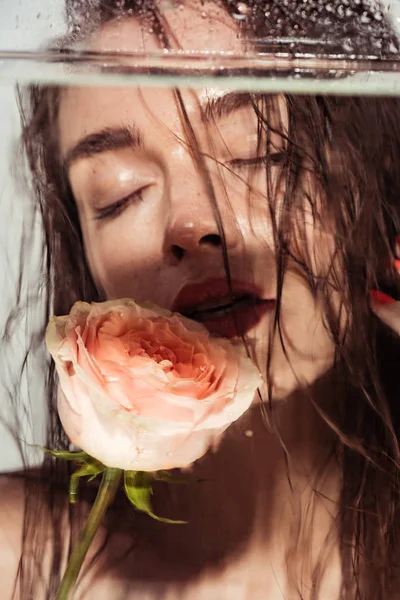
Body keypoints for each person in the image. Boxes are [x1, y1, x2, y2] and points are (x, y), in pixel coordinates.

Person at [2, 0, 400, 598]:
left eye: (263, 152)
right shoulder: (14, 557)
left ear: (377, 176)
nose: (192, 225)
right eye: (119, 194)